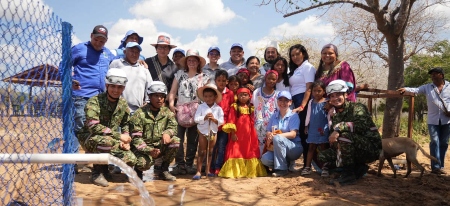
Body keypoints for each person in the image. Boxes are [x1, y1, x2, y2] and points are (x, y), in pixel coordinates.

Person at [62, 25, 116, 173]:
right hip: (82, 96)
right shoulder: (79, 49)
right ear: (91, 36)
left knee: (97, 130)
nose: (99, 43)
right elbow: (64, 66)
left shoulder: (107, 53)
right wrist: (69, 80)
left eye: (102, 41)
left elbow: (119, 62)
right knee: (79, 128)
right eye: (97, 39)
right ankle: (71, 162)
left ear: (106, 41)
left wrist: (141, 60)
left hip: (100, 99)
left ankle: (92, 162)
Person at [76, 68, 137, 187]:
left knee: (132, 159)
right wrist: (119, 136)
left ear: (123, 88)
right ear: (107, 85)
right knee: (105, 142)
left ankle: (105, 170)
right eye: (113, 86)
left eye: (119, 87)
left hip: (111, 138)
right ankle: (97, 173)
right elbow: (93, 126)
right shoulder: (94, 102)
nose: (116, 90)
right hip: (89, 137)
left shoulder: (123, 103)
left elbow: (125, 122)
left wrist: (126, 139)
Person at [318, 79, 381, 185]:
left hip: (370, 148)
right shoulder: (337, 116)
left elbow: (361, 125)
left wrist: (339, 129)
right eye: (332, 96)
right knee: (322, 156)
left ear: (346, 95)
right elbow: (335, 139)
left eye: (338, 94)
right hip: (352, 147)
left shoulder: (357, 108)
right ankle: (358, 168)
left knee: (345, 136)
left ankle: (348, 175)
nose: (335, 98)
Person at [398, 67, 450, 175]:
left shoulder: (449, 86)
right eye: (432, 75)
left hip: (447, 120)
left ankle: (441, 165)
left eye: (435, 74)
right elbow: (416, 90)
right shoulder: (427, 87)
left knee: (444, 143)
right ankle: (435, 167)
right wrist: (405, 89)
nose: (433, 76)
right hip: (433, 120)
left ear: (442, 75)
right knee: (434, 142)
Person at [168, 49, 209, 175]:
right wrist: (171, 104)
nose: (192, 62)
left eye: (194, 60)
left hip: (197, 110)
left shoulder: (204, 76)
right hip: (180, 109)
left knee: (193, 139)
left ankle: (189, 164)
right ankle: (180, 164)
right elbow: (173, 91)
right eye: (189, 60)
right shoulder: (179, 74)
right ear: (186, 62)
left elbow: (207, 94)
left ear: (198, 62)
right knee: (178, 138)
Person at [130, 81, 179, 181]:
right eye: (156, 96)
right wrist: (149, 150)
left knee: (175, 141)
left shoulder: (166, 112)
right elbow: (136, 139)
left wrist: (168, 133)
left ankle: (164, 170)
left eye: (162, 96)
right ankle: (138, 172)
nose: (159, 99)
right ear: (149, 96)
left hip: (159, 146)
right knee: (143, 163)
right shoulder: (139, 114)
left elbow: (173, 126)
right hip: (143, 149)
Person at [219, 88, 267, 178]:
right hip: (237, 134)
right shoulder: (234, 107)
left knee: (248, 151)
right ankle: (234, 171)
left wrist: (253, 134)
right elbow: (231, 120)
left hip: (248, 135)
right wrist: (233, 133)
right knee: (235, 150)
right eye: (240, 95)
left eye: (245, 95)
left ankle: (248, 171)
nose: (243, 97)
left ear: (249, 96)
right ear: (237, 96)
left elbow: (252, 121)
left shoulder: (251, 107)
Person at [261, 91, 303, 177]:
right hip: (278, 148)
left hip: (294, 148)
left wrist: (276, 136)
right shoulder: (274, 116)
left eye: (286, 100)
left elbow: (293, 134)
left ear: (290, 102)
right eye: (280, 100)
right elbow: (268, 130)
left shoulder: (293, 115)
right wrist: (269, 135)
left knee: (277, 138)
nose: (283, 103)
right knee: (265, 159)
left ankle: (282, 169)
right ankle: (285, 164)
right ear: (277, 101)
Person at [288, 44, 315, 168]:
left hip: (303, 101)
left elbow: (309, 88)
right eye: (292, 55)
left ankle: (307, 164)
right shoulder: (295, 69)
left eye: (297, 54)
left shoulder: (308, 67)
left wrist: (302, 106)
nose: (295, 57)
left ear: (303, 54)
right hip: (294, 100)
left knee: (305, 133)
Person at [109, 42, 152, 113]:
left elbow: (150, 86)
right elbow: (107, 82)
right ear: (125, 52)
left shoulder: (144, 68)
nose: (134, 54)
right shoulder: (116, 64)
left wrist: (147, 102)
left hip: (138, 111)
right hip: (117, 109)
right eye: (132, 51)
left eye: (137, 52)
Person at [193, 84, 224, 180]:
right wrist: (204, 118)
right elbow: (196, 119)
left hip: (213, 132)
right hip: (203, 131)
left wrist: (214, 120)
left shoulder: (218, 108)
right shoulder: (201, 107)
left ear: (215, 97)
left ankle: (208, 170)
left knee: (210, 152)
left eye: (210, 96)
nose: (208, 98)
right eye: (206, 96)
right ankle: (198, 171)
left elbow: (221, 121)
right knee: (202, 151)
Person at [302, 80, 330, 176]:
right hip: (313, 128)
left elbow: (330, 116)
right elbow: (308, 115)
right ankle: (307, 167)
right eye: (314, 91)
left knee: (323, 147)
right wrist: (306, 126)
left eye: (319, 91)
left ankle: (325, 168)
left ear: (324, 91)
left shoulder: (327, 102)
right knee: (311, 147)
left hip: (323, 128)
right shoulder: (310, 102)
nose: (317, 93)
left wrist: (330, 127)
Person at [210, 70, 235, 175]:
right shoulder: (212, 92)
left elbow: (231, 109)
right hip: (213, 124)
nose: (221, 83)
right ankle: (210, 166)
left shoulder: (230, 93)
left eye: (223, 81)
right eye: (219, 80)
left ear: (227, 82)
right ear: (215, 81)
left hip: (224, 125)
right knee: (212, 146)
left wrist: (229, 124)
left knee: (221, 146)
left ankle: (218, 167)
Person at [252, 70, 279, 154]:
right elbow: (252, 106)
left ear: (276, 80)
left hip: (271, 126)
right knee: (257, 147)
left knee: (270, 147)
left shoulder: (278, 94)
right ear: (265, 79)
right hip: (258, 125)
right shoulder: (257, 92)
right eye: (269, 78)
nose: (271, 81)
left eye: (273, 79)